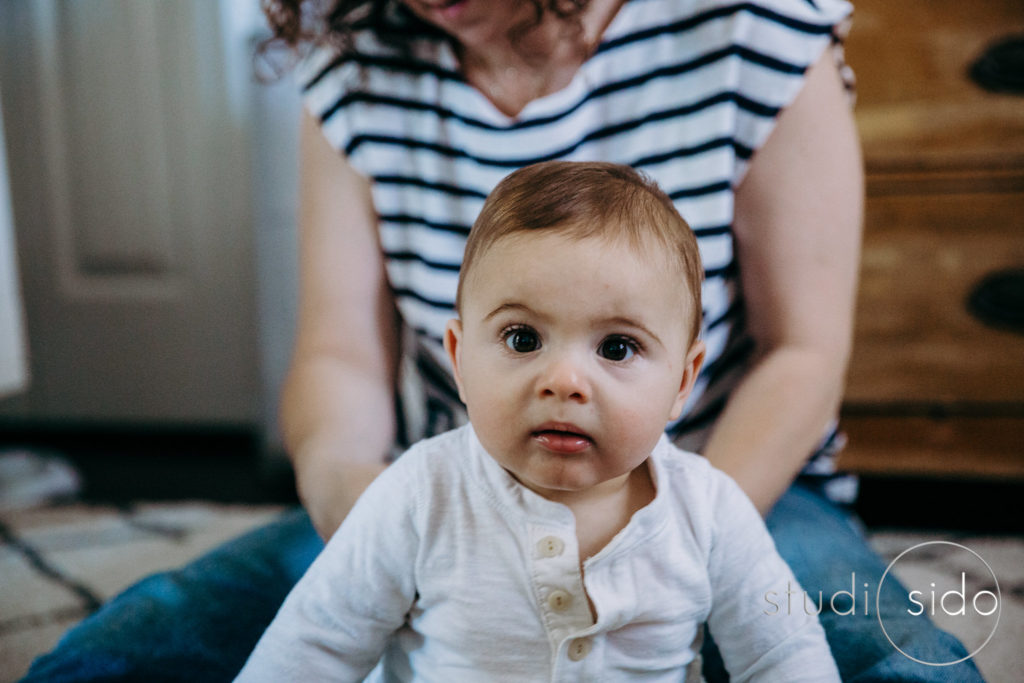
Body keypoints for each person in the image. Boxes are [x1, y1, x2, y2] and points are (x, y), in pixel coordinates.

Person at [22, 0, 982, 681]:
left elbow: (803, 354)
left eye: (612, 348)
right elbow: (340, 355)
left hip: (741, 477)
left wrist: (684, 536)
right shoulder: (355, 69)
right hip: (457, 479)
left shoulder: (757, 27)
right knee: (149, 637)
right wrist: (357, 505)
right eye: (524, 337)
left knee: (886, 653)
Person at [234, 161, 841, 681]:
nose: (564, 381)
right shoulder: (420, 495)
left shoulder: (710, 511)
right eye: (522, 338)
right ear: (460, 359)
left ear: (683, 382)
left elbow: (783, 653)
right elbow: (312, 645)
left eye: (617, 348)